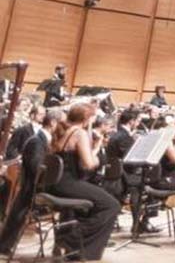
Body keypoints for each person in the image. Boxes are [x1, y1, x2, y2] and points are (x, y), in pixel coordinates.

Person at [49, 102, 120, 261]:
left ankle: (74, 247)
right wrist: (97, 154)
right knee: (112, 205)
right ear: (86, 118)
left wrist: (94, 147)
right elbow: (89, 164)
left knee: (95, 205)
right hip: (68, 183)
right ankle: (69, 240)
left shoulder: (65, 130)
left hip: (57, 183)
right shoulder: (79, 133)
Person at [0, 108, 63, 255]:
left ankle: (5, 245)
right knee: (17, 217)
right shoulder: (37, 141)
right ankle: (4, 246)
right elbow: (36, 167)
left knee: (17, 216)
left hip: (31, 187)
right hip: (30, 187)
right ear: (53, 123)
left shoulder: (42, 139)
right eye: (62, 123)